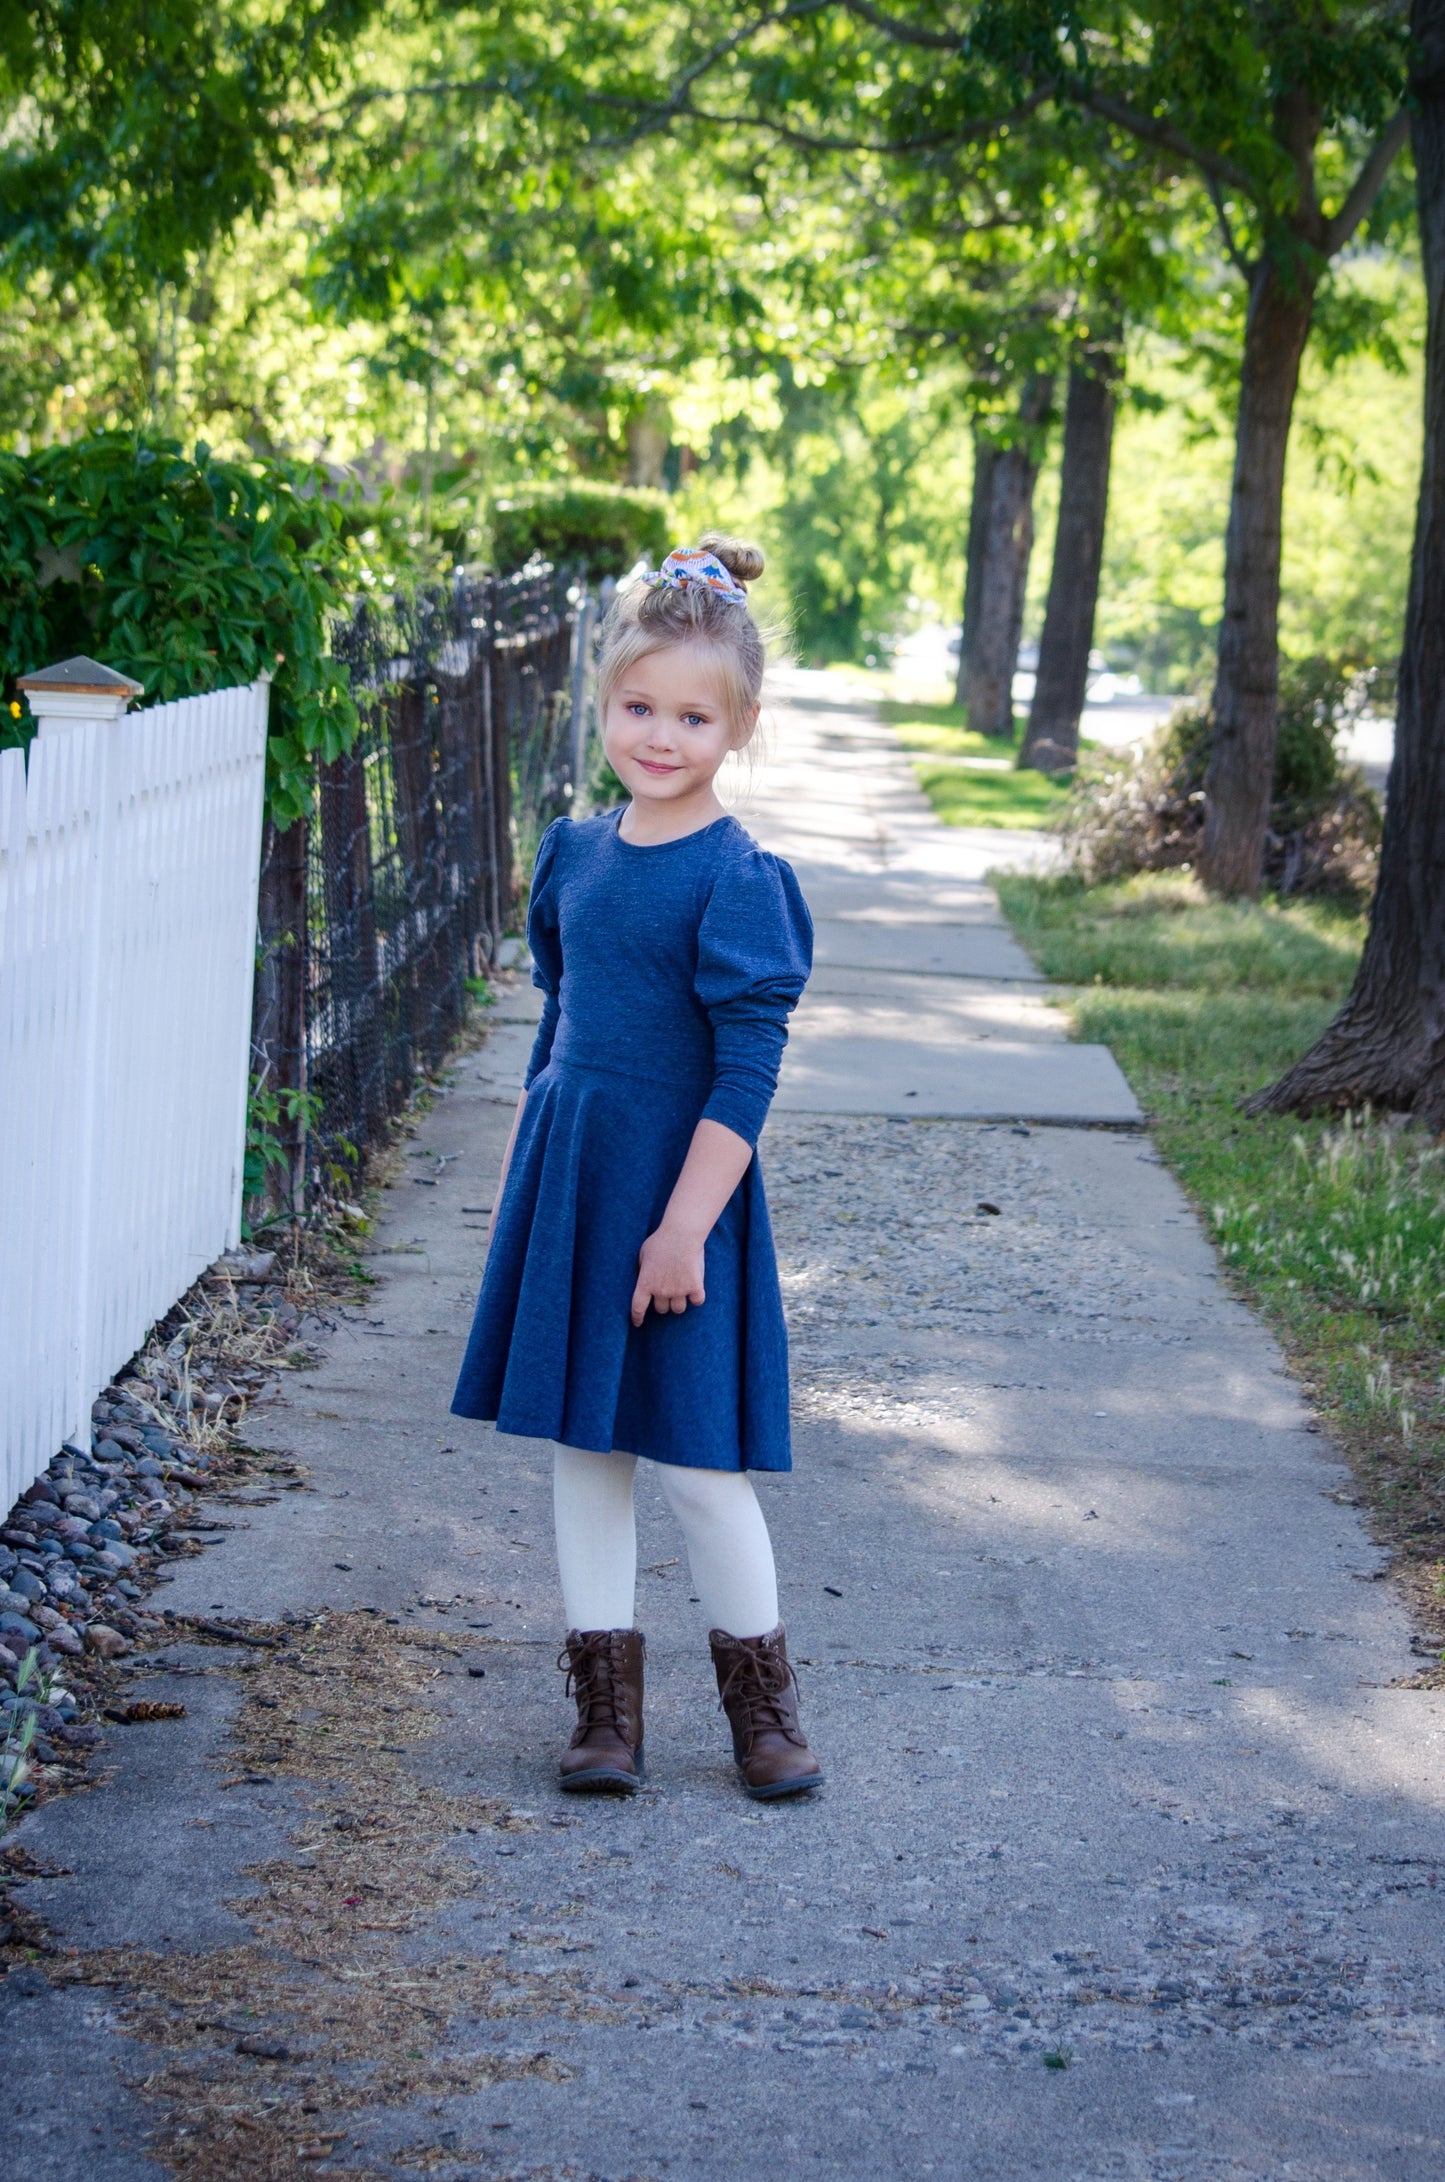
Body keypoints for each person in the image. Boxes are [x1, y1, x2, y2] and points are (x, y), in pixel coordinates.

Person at [452, 534, 823, 1802]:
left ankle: (762, 1712)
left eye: (690, 716)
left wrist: (682, 1232)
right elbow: (557, 1026)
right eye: (635, 707)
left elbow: (745, 1073)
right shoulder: (572, 852)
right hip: (573, 1182)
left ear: (740, 725)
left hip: (680, 1199)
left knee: (698, 1466)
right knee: (583, 1454)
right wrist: (519, 1182)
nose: (658, 736)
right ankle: (604, 1712)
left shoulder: (737, 877)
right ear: (599, 704)